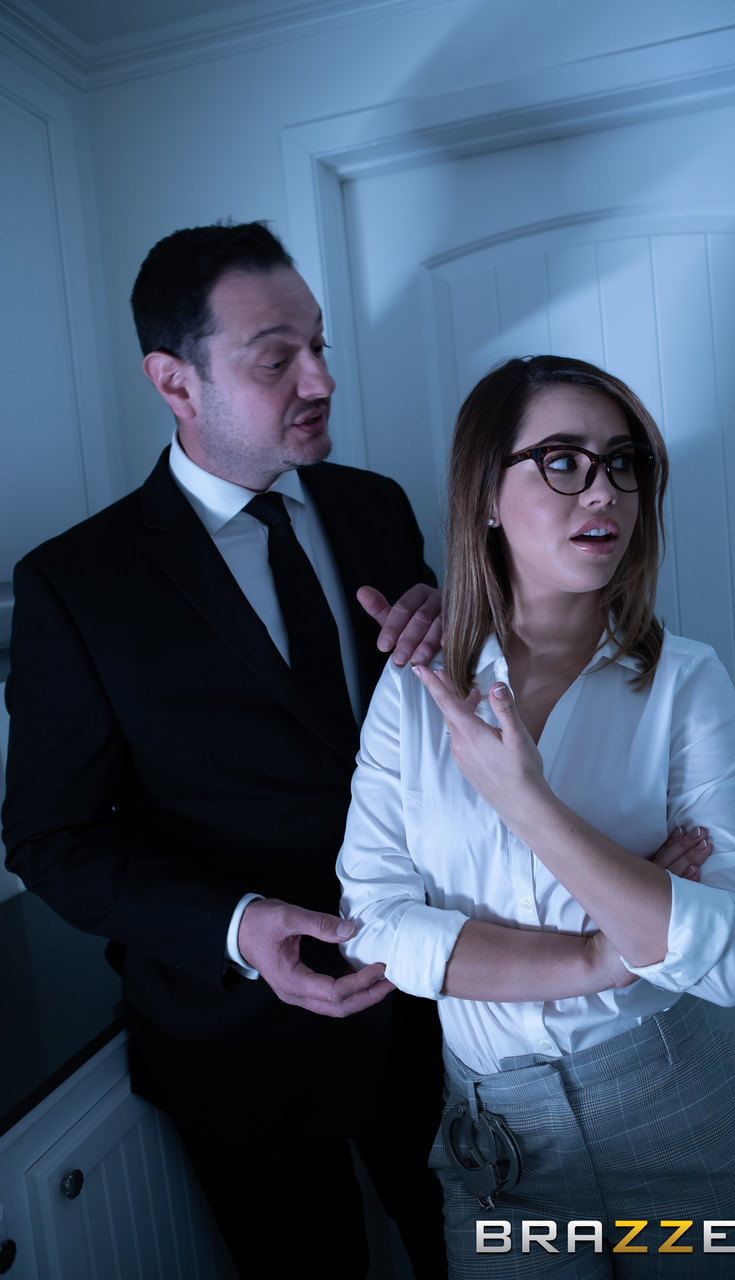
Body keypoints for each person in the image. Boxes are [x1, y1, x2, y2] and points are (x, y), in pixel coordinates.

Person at [1, 221, 448, 1279]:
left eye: (318, 345)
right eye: (275, 357)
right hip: (238, 1044)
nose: (321, 379)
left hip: (436, 996)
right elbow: (52, 837)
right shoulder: (77, 582)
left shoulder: (376, 507)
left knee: (477, 1259)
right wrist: (237, 926)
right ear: (174, 380)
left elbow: (427, 724)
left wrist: (451, 631)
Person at [337, 355, 735, 1277]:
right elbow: (372, 928)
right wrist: (598, 956)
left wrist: (527, 804)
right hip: (495, 1143)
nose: (604, 490)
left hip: (673, 1120)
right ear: (484, 497)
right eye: (563, 461)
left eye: (622, 463)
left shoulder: (686, 684)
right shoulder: (414, 692)